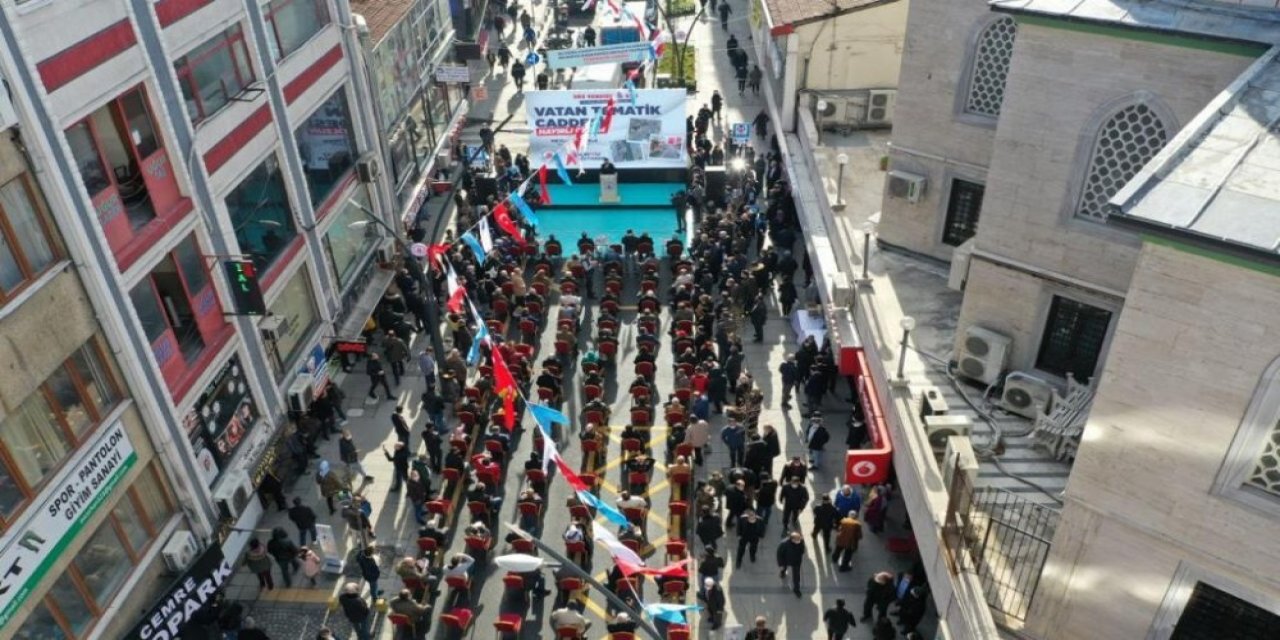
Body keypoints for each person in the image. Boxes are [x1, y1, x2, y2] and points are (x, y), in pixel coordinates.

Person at [776, 530, 807, 597]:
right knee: (784, 568)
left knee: (796, 576)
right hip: (786, 560)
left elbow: (802, 549)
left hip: (796, 561)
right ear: (792, 539)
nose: (798, 541)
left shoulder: (800, 541)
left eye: (799, 539)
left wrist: (801, 552)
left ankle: (796, 589)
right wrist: (780, 564)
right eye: (797, 540)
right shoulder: (784, 544)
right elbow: (779, 554)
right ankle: (783, 573)